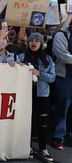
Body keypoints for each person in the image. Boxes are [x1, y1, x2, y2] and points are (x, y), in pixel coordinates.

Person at [18, 33, 56, 161]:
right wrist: (14, 64)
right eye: (31, 40)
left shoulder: (48, 59)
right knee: (26, 122)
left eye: (37, 40)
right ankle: (25, 147)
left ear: (41, 43)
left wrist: (39, 74)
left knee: (42, 123)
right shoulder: (21, 57)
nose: (34, 43)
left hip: (42, 95)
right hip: (25, 95)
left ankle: (43, 148)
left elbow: (52, 77)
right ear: (28, 42)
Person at [52, 18, 72, 150]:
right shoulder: (61, 35)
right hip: (64, 77)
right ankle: (58, 137)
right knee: (62, 108)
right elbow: (62, 55)